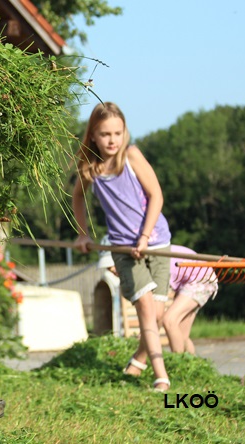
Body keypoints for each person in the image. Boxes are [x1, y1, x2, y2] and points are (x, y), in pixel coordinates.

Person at [72, 102, 173, 392]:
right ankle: (161, 376)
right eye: (105, 134)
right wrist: (83, 234)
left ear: (125, 132)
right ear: (92, 135)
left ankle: (137, 362)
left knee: (156, 315)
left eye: (117, 132)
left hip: (157, 242)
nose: (112, 140)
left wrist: (144, 237)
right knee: (144, 309)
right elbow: (77, 197)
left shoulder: (132, 157)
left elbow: (156, 196)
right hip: (123, 249)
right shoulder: (91, 168)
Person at [162, 244, 218, 354]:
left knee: (169, 320)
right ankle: (193, 368)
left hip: (201, 278)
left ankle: (179, 367)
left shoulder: (149, 258)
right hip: (192, 280)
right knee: (182, 335)